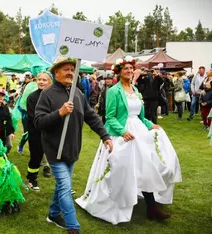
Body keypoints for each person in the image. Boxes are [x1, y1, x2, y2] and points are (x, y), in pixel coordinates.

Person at [76, 56, 182, 225]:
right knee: (122, 170)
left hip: (138, 131)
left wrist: (151, 124)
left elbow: (140, 116)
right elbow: (109, 117)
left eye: (131, 69)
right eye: (126, 69)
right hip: (121, 134)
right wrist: (123, 131)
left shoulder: (135, 89)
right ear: (118, 71)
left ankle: (151, 207)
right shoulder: (113, 91)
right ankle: (117, 201)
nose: (130, 71)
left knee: (147, 165)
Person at [34, 57, 113, 234]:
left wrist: (105, 136)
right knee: (65, 187)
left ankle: (53, 214)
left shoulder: (77, 93)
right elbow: (38, 122)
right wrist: (59, 113)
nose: (70, 72)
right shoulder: (47, 94)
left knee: (63, 185)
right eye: (66, 69)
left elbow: (91, 116)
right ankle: (73, 227)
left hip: (72, 148)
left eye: (72, 69)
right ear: (56, 73)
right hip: (55, 150)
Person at [26, 72, 52, 191]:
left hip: (52, 133)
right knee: (36, 158)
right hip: (36, 133)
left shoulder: (54, 96)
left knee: (56, 158)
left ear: (50, 82)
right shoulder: (32, 97)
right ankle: (32, 180)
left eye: (44, 80)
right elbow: (33, 117)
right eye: (39, 79)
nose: (41, 82)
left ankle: (63, 184)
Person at [0, 88, 15, 154]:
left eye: (2, 95)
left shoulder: (5, 107)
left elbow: (9, 120)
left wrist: (11, 132)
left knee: (9, 145)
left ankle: (4, 155)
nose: (0, 97)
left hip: (4, 131)